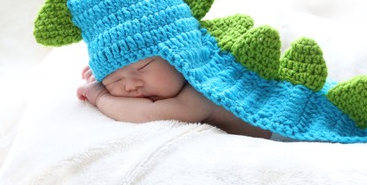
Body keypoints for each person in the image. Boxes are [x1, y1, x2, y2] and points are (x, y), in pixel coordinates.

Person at [77, 56, 273, 139]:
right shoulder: (164, 81)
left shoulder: (203, 92)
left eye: (143, 67)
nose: (131, 85)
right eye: (115, 79)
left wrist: (99, 96)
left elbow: (149, 113)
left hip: (280, 134)